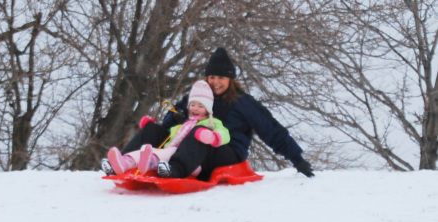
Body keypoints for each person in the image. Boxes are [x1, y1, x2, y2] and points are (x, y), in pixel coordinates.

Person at [102, 47, 314, 180]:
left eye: (221, 77)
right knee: (154, 129)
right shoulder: (197, 96)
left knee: (200, 133)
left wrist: (297, 159)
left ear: (230, 79)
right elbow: (172, 123)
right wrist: (174, 118)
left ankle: (175, 170)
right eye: (212, 76)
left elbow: (270, 129)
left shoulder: (242, 102)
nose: (216, 81)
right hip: (188, 148)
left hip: (226, 152)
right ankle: (124, 163)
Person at [105, 80, 230, 176]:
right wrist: (149, 126)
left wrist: (213, 137)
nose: (195, 108)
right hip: (170, 154)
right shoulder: (185, 124)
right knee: (154, 147)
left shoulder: (212, 122)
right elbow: (169, 133)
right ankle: (123, 163)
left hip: (193, 163)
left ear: (208, 109)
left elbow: (225, 134)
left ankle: (165, 167)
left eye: (200, 106)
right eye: (193, 104)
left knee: (168, 151)